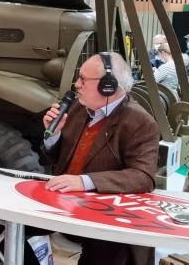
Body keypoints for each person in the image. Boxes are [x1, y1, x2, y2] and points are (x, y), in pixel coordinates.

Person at [37, 52, 159, 265]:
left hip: (102, 216)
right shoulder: (78, 108)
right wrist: (54, 135)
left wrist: (84, 181)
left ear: (108, 86)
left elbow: (143, 177)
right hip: (62, 205)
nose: (76, 85)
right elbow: (53, 159)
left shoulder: (140, 122)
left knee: (106, 250)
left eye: (83, 79)